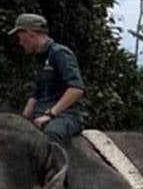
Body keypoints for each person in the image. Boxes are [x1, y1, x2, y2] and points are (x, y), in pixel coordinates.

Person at [8, 13, 86, 146]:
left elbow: (76, 89)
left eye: (20, 37)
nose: (20, 42)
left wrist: (51, 114)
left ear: (30, 33)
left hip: (64, 116)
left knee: (48, 139)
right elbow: (36, 95)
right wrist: (23, 120)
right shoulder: (39, 58)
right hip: (40, 115)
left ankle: (55, 167)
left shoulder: (60, 53)